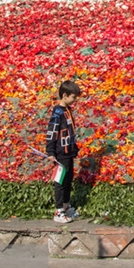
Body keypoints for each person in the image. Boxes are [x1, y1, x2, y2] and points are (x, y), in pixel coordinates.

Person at [47, 80, 82, 224]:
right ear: (65, 95)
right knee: (60, 182)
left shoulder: (68, 110)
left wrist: (74, 148)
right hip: (60, 153)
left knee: (68, 180)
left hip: (69, 152)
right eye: (73, 97)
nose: (75, 100)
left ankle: (66, 206)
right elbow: (52, 132)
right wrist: (50, 152)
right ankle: (59, 210)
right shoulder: (58, 112)